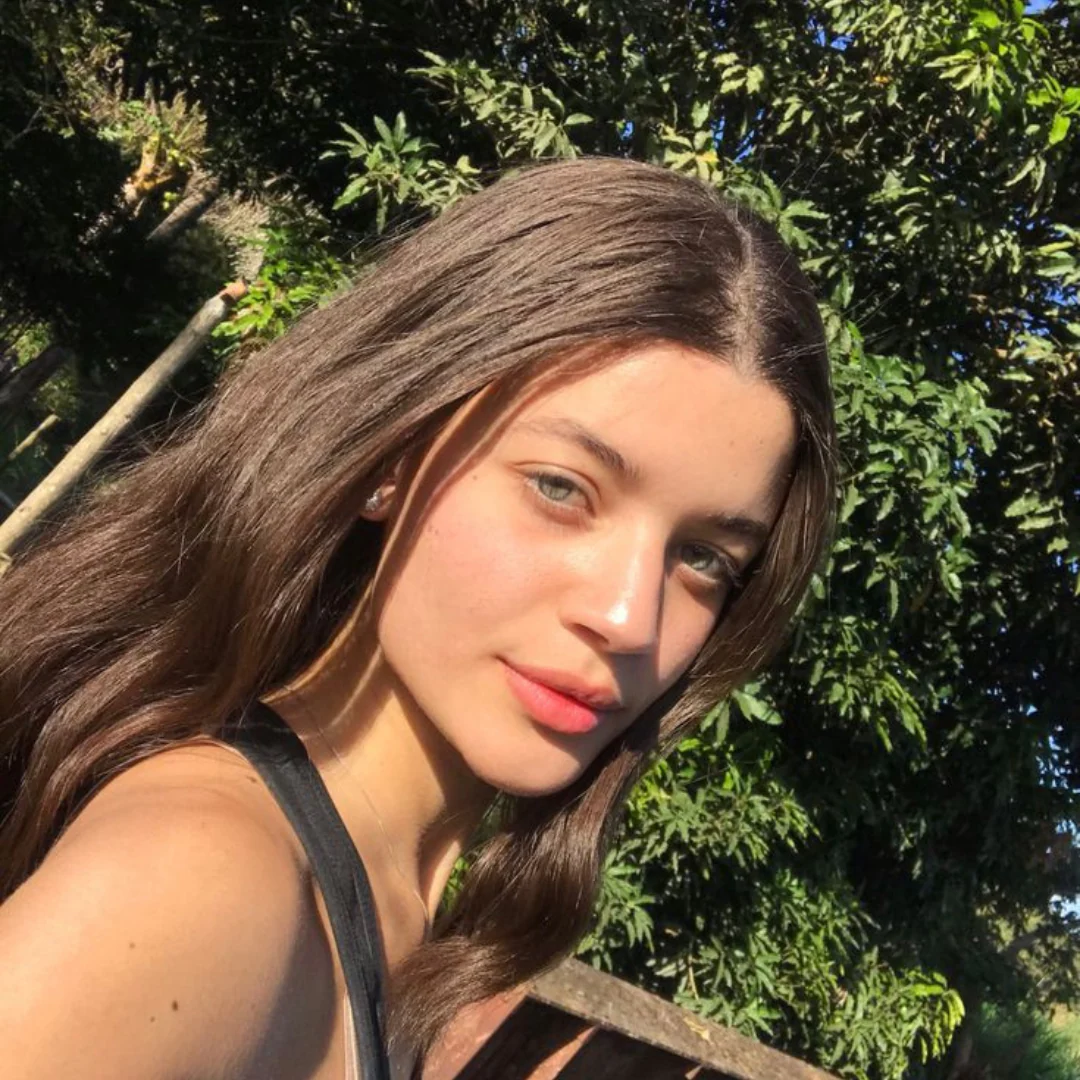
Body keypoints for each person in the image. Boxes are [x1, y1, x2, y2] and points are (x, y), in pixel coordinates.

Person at [0, 155, 836, 1079]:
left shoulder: (385, 909)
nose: (629, 617)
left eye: (704, 558)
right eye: (561, 488)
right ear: (391, 453)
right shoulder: (203, 881)